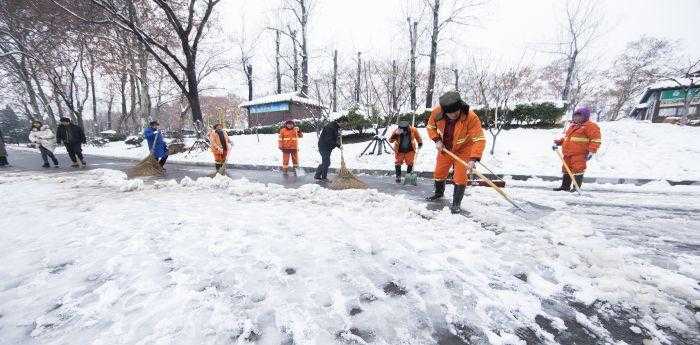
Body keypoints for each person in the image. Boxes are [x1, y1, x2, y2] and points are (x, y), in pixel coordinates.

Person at [426, 91, 486, 214]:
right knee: (439, 172)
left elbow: (479, 139)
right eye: (450, 113)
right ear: (444, 111)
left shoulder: (471, 117)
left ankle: (456, 204)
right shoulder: (437, 113)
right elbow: (430, 127)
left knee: (460, 176)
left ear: (460, 107)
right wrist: (437, 140)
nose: (453, 115)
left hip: (464, 150)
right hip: (445, 149)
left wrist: (473, 158)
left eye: (456, 112)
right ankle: (438, 193)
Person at [552, 106, 601, 192]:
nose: (576, 118)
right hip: (568, 153)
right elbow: (568, 138)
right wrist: (559, 142)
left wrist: (592, 151)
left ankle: (576, 188)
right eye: (575, 116)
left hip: (579, 154)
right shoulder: (572, 126)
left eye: (579, 116)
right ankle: (565, 187)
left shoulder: (591, 126)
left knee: (578, 169)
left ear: (585, 117)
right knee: (566, 169)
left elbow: (596, 140)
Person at [314, 116, 349, 181]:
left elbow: (333, 136)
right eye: (344, 124)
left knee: (326, 162)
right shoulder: (330, 127)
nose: (345, 125)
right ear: (341, 122)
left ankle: (317, 175)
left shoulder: (336, 127)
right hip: (324, 146)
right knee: (326, 162)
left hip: (328, 147)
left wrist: (338, 135)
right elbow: (328, 140)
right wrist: (338, 145)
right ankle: (324, 177)